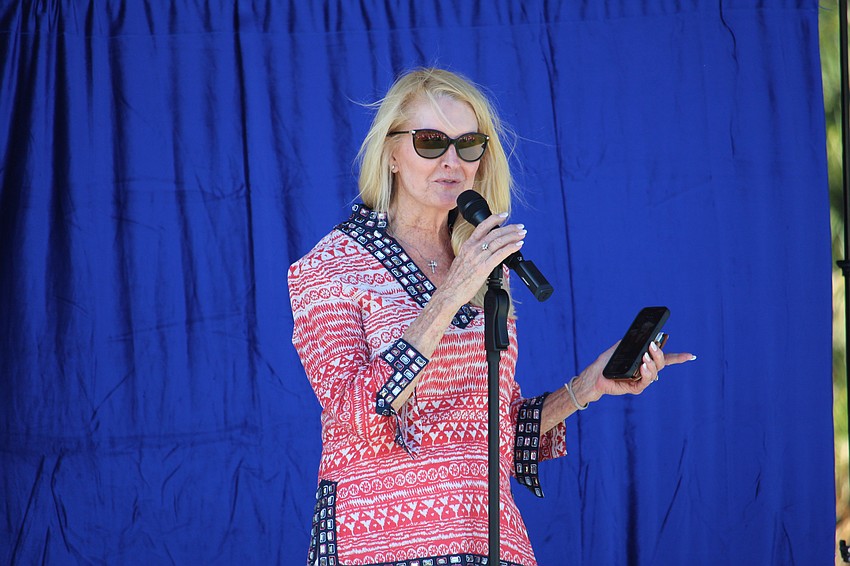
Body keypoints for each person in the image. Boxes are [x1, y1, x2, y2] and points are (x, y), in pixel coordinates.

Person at [288, 67, 695, 566]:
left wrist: (589, 385)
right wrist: (448, 296)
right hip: (381, 543)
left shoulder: (483, 268)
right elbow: (355, 417)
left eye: (469, 144)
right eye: (430, 142)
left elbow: (492, 429)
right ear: (391, 154)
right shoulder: (330, 266)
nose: (452, 161)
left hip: (488, 540)